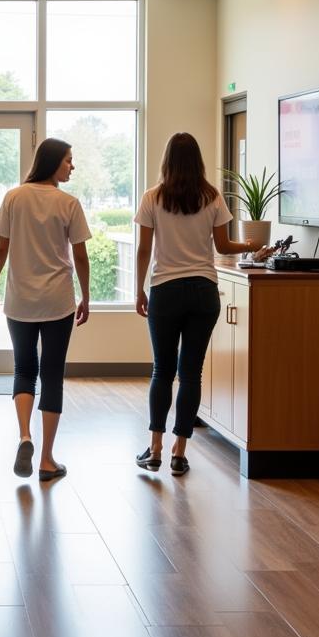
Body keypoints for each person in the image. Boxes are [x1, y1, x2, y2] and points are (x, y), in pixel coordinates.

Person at [133, 132, 256, 476]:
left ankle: (155, 447)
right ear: (198, 161)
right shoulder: (212, 197)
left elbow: (144, 250)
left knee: (162, 369)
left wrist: (138, 289)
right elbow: (223, 247)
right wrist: (250, 246)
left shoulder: (153, 197)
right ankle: (179, 451)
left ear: (167, 160)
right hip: (204, 291)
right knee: (191, 374)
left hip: (165, 290)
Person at [0, 138, 91, 482]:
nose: (72, 166)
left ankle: (24, 436)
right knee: (52, 374)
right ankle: (46, 460)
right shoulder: (68, 203)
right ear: (53, 163)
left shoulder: (14, 197)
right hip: (58, 300)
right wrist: (86, 296)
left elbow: (2, 248)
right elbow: (80, 255)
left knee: (24, 369)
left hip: (20, 301)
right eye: (68, 161)